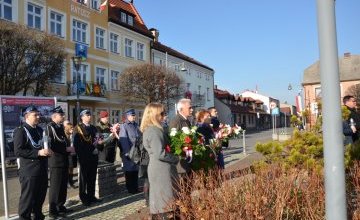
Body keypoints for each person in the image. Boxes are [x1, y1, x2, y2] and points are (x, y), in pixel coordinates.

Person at [14, 105, 53, 220]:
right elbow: (18, 151)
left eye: (38, 114)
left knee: (40, 197)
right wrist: (38, 153)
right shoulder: (21, 131)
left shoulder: (40, 130)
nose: (38, 116)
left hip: (42, 169)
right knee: (27, 199)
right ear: (27, 116)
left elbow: (43, 145)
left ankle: (38, 216)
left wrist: (48, 151)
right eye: (35, 115)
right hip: (29, 171)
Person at [141, 103, 179, 219]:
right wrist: (175, 158)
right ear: (154, 115)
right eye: (162, 113)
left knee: (163, 200)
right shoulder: (153, 131)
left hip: (160, 168)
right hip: (160, 170)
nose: (164, 116)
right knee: (163, 201)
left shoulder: (155, 129)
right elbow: (160, 153)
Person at [47, 106, 74, 219]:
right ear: (54, 116)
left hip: (63, 160)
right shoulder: (50, 127)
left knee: (63, 185)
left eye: (63, 115)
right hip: (56, 161)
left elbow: (62, 142)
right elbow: (51, 145)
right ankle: (53, 211)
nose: (63, 116)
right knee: (55, 187)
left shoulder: (59, 127)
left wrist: (68, 150)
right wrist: (66, 149)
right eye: (61, 115)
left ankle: (61, 205)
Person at [74, 109, 102, 206]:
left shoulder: (94, 128)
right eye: (87, 115)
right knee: (83, 179)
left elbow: (98, 139)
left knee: (92, 178)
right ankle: (84, 198)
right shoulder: (78, 128)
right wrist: (84, 155)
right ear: (82, 117)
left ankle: (91, 196)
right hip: (84, 158)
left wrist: (98, 146)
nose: (89, 116)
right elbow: (77, 145)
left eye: (89, 115)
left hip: (94, 157)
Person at [119, 109, 141, 194]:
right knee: (129, 171)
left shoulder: (136, 125)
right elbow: (123, 140)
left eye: (134, 115)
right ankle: (130, 189)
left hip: (136, 151)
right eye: (132, 115)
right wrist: (127, 152)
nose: (134, 117)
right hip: (129, 152)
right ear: (128, 116)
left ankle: (135, 187)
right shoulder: (124, 126)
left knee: (135, 170)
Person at [169, 98, 193, 174]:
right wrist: (182, 148)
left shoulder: (187, 120)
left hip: (187, 158)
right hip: (180, 162)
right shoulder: (176, 121)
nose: (192, 110)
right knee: (182, 184)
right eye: (189, 108)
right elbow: (173, 141)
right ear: (181, 109)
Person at [64, 122, 78, 189]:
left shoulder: (73, 135)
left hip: (73, 154)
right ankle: (67, 182)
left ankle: (71, 182)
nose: (72, 129)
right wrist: (71, 149)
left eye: (72, 128)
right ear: (67, 129)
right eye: (71, 128)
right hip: (67, 155)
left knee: (72, 169)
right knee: (67, 169)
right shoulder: (64, 136)